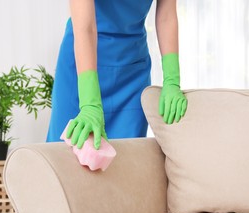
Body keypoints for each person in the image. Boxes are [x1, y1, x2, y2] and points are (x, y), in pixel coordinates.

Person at [47, 0, 188, 149]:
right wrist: (90, 104)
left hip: (131, 73)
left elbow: (166, 17)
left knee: (126, 158)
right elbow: (86, 28)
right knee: (64, 157)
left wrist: (172, 80)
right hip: (82, 69)